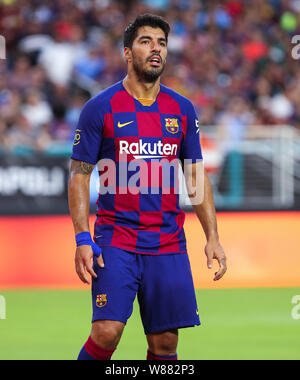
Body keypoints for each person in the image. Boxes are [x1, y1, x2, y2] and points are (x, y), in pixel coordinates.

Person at [68, 13, 227, 361]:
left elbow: (196, 176)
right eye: (146, 41)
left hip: (167, 242)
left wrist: (212, 236)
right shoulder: (100, 108)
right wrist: (82, 237)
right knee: (107, 332)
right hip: (116, 238)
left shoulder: (182, 110)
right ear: (127, 53)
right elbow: (79, 173)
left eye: (162, 43)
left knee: (166, 343)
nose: (156, 49)